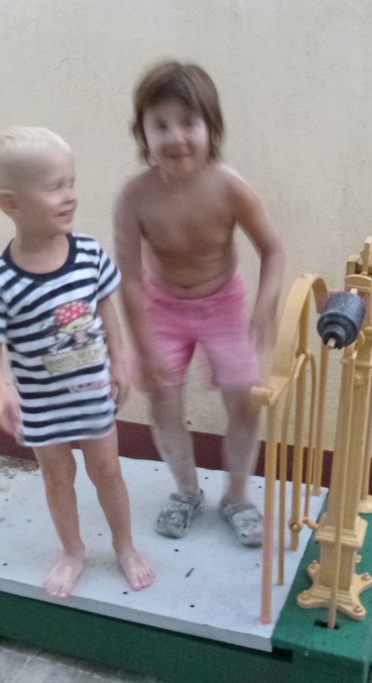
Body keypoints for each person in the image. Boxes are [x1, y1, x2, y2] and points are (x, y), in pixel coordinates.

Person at [0, 127, 155, 598]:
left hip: (91, 395)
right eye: (55, 187)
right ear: (12, 203)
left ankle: (125, 546)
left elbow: (105, 304)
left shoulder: (87, 253)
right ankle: (72, 551)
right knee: (57, 477)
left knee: (107, 472)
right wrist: (0, 389)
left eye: (71, 183)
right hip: (41, 405)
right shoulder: (0, 281)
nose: (70, 196)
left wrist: (120, 359)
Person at [114, 62, 285, 547]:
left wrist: (265, 307)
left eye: (189, 123)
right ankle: (186, 491)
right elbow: (129, 278)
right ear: (142, 133)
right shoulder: (134, 197)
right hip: (161, 307)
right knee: (162, 397)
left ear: (212, 128)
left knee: (245, 395)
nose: (176, 137)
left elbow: (273, 249)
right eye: (160, 125)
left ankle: (237, 496)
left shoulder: (229, 188)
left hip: (222, 304)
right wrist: (142, 346)